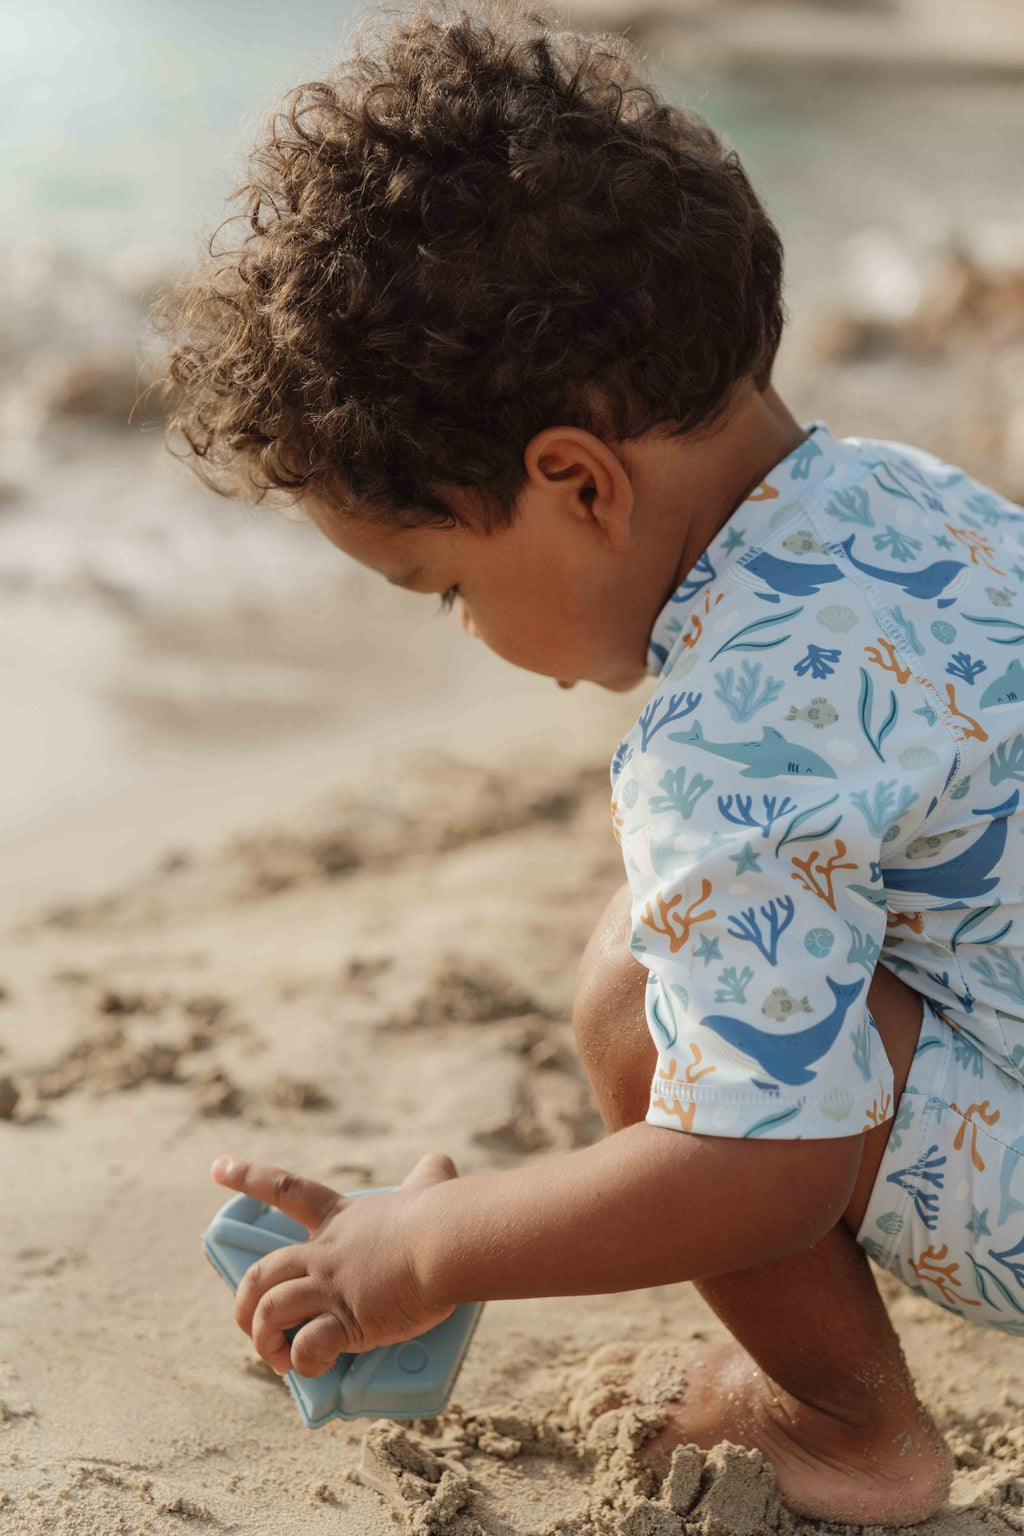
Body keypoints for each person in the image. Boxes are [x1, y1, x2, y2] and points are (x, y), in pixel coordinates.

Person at [157, 2, 1024, 1520]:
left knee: (637, 989)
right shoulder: (912, 500)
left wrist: (428, 1250)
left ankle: (846, 1426)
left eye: (445, 585)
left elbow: (768, 1166)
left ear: (576, 483)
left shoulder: (722, 737)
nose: (470, 633)